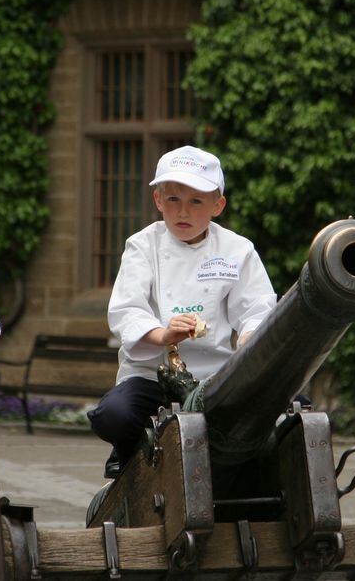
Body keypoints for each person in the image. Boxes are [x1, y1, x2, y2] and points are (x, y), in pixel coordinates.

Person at [88, 145, 277, 478]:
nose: (182, 212)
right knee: (113, 414)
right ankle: (132, 452)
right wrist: (163, 334)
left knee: (290, 409)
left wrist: (250, 341)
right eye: (173, 200)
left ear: (218, 206)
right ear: (158, 201)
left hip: (215, 379)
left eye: (196, 201)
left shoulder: (237, 250)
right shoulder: (142, 245)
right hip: (150, 375)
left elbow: (257, 308)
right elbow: (127, 308)